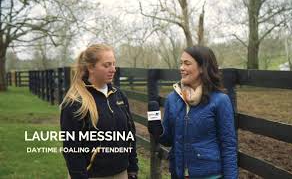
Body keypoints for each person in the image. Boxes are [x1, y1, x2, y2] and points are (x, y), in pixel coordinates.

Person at [148, 46, 238, 179]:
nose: (181, 68)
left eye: (187, 63)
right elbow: (167, 140)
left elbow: (228, 146)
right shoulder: (173, 99)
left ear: (202, 68)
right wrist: (157, 131)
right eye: (181, 63)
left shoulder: (220, 100)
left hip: (210, 174)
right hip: (178, 173)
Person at [60, 44, 138, 179]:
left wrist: (132, 168)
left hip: (122, 173)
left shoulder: (119, 95)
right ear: (91, 67)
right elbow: (71, 149)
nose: (113, 69)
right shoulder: (74, 102)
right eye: (107, 65)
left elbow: (129, 134)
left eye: (114, 64)